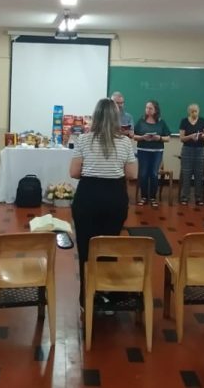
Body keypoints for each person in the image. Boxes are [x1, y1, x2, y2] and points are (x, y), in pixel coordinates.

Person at [69, 98, 138, 307]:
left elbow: (74, 172)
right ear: (116, 118)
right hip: (114, 199)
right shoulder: (125, 142)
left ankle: (86, 297)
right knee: (109, 246)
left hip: (87, 198)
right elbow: (132, 174)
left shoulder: (83, 140)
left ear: (96, 117)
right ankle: (107, 292)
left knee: (86, 247)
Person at [131, 100, 170, 207]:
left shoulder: (161, 122)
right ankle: (144, 197)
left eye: (150, 108)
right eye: (146, 108)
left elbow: (168, 138)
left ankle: (153, 197)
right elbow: (134, 136)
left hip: (157, 152)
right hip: (143, 151)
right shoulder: (141, 121)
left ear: (155, 110)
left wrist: (159, 138)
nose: (147, 110)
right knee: (143, 174)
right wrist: (143, 137)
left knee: (153, 173)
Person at [178, 103, 204, 206]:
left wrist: (202, 136)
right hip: (187, 150)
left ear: (198, 111)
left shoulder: (203, 121)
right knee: (186, 174)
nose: (194, 113)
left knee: (199, 174)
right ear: (189, 112)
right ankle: (185, 197)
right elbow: (182, 138)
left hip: (200, 150)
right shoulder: (184, 121)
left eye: (196, 111)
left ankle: (199, 197)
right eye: (192, 111)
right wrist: (191, 136)